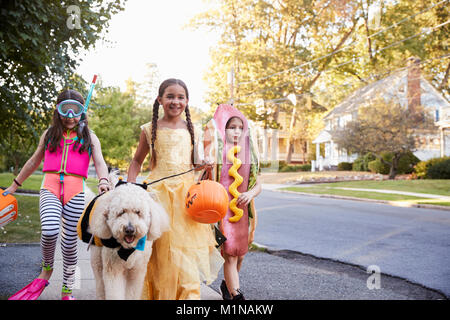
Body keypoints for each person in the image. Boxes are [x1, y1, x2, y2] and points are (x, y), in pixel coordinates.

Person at [7, 89, 110, 300]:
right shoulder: (50, 134)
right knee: (50, 230)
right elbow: (34, 161)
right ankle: (47, 269)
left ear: (83, 112)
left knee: (70, 245)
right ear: (57, 110)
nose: (70, 116)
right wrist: (15, 185)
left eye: (76, 111)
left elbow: (100, 162)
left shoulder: (89, 137)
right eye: (65, 110)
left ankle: (66, 291)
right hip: (50, 189)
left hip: (76, 193)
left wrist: (104, 181)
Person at [127, 78, 223, 300]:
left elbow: (196, 164)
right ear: (160, 99)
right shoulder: (149, 129)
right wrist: (131, 190)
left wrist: (206, 163)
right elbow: (136, 162)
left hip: (186, 201)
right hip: (156, 198)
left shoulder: (193, 129)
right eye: (170, 96)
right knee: (158, 256)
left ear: (187, 101)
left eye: (181, 97)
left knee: (185, 256)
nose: (175, 101)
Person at [203, 104, 261, 300]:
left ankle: (227, 286)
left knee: (240, 254)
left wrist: (251, 194)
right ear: (222, 128)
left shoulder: (248, 154)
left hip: (243, 212)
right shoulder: (215, 153)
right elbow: (202, 180)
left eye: (240, 127)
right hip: (223, 212)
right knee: (230, 253)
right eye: (231, 127)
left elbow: (258, 185)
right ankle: (237, 295)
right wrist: (206, 166)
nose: (236, 131)